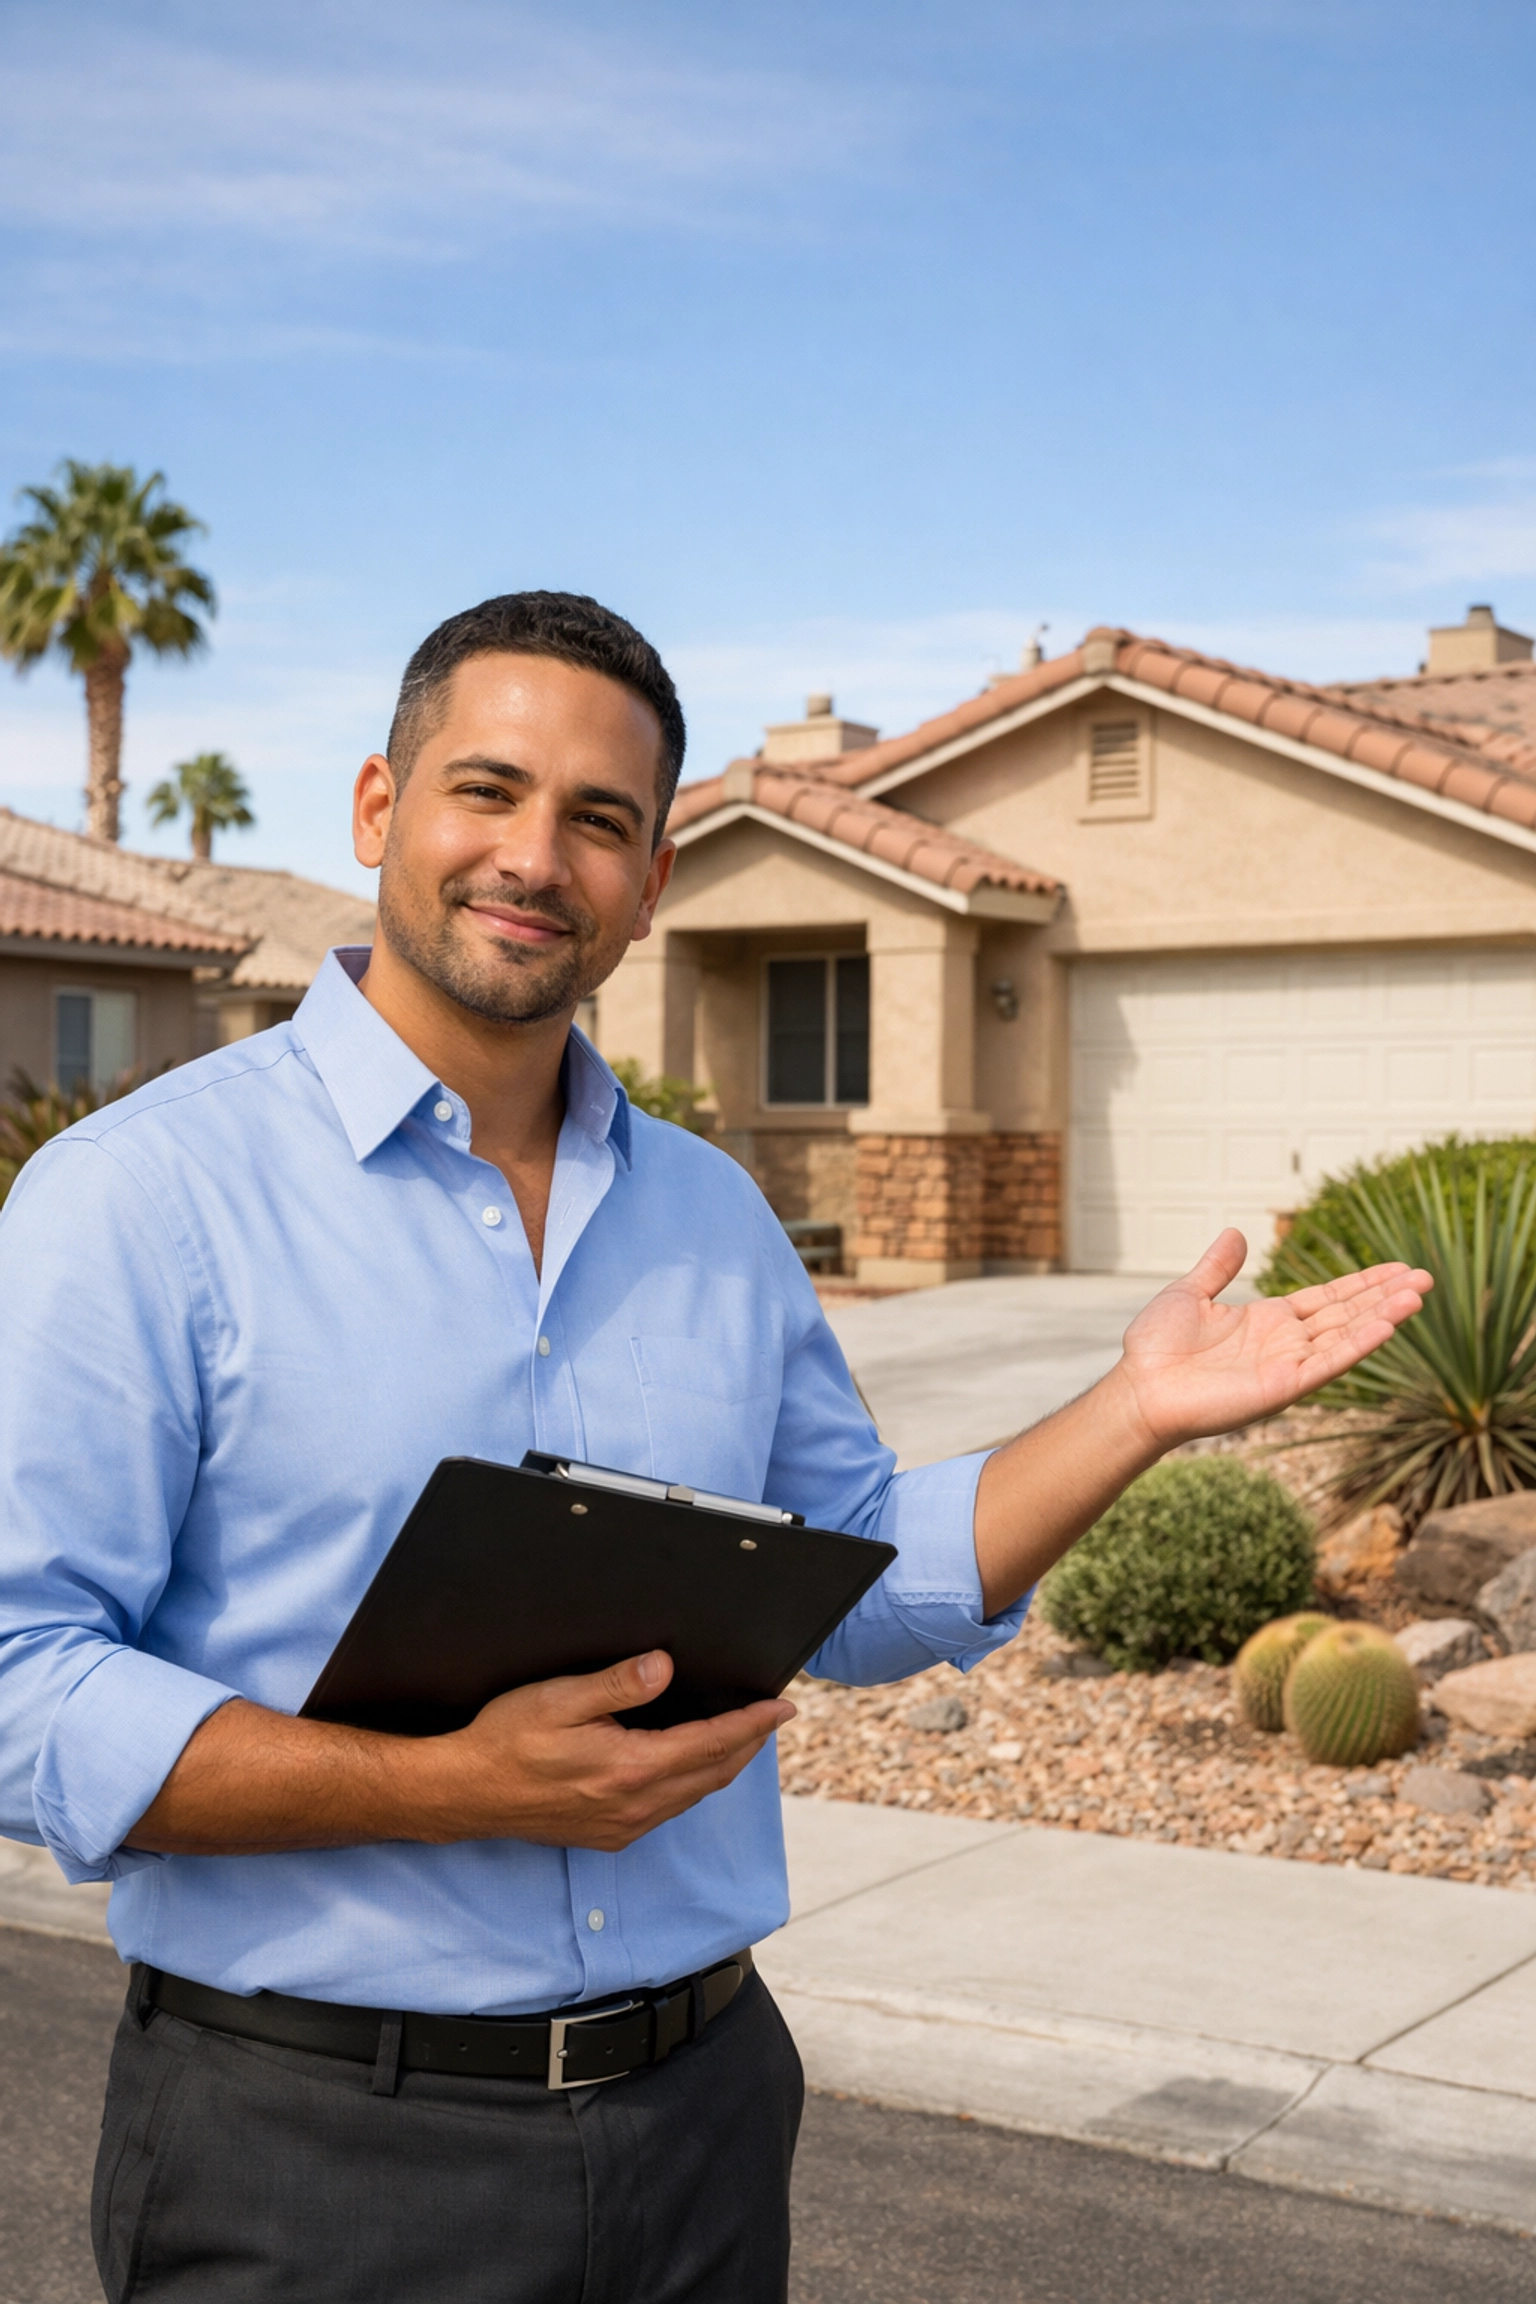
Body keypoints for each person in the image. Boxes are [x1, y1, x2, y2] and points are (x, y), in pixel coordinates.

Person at [0, 591, 1429, 2303]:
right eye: (489, 791)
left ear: (652, 880)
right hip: (316, 2156)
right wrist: (445, 1784)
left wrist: (1131, 1413)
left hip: (703, 2129)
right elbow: (23, 1683)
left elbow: (842, 1577)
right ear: (381, 811)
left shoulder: (716, 1217)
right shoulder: (140, 1201)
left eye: (601, 821)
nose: (537, 857)